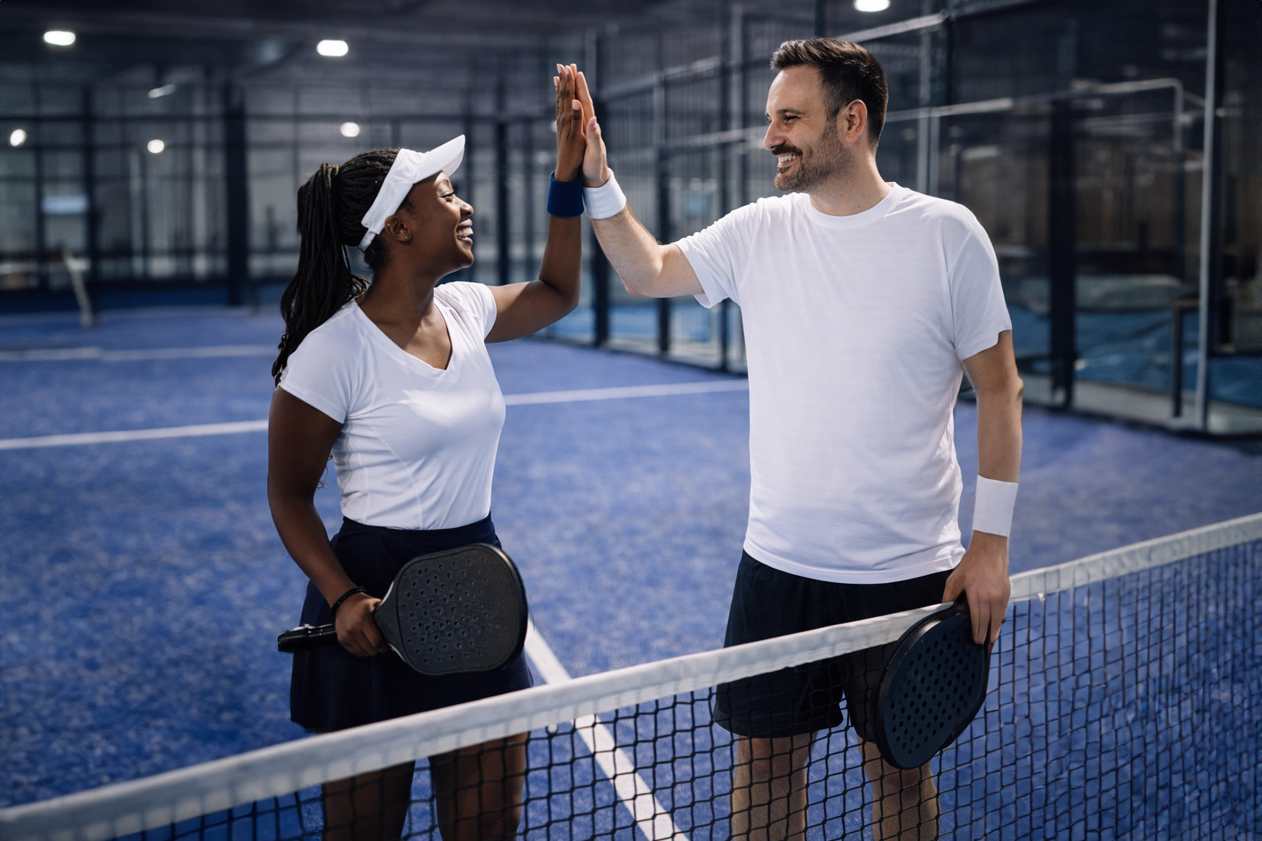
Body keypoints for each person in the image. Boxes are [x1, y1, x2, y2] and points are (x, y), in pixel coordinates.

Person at [571, 40, 1023, 841]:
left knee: (898, 769)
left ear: (852, 120)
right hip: (777, 567)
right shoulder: (757, 231)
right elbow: (646, 270)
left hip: (906, 570)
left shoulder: (948, 235)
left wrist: (988, 544)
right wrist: (599, 179)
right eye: (770, 118)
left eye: (789, 118)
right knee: (766, 765)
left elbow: (999, 386)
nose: (769, 136)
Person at [267, 65, 592, 841]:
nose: (465, 203)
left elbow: (557, 289)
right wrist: (343, 596)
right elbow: (288, 495)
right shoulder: (330, 352)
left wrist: (566, 177)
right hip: (371, 598)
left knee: (487, 830)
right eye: (445, 195)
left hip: (480, 587)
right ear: (398, 229)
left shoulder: (467, 309)